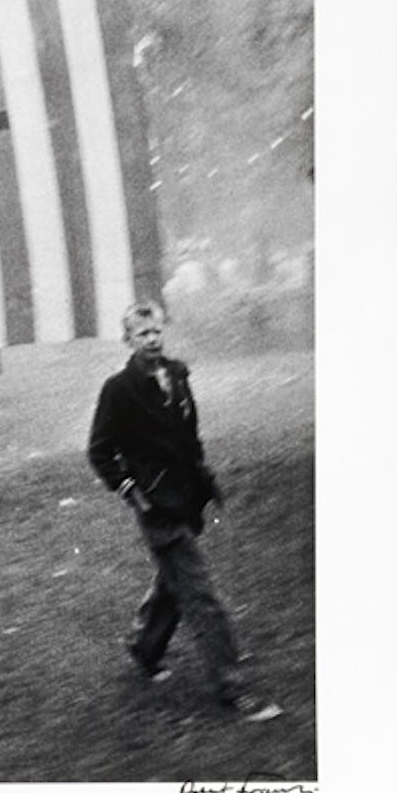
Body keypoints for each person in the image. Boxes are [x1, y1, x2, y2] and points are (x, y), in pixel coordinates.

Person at [87, 299, 282, 722]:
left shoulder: (177, 374)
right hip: (157, 508)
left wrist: (204, 479)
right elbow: (99, 451)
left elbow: (188, 437)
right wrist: (133, 493)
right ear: (128, 340)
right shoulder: (118, 390)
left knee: (172, 581)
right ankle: (233, 688)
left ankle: (144, 648)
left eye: (156, 331)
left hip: (187, 499)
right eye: (142, 334)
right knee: (201, 596)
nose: (152, 339)